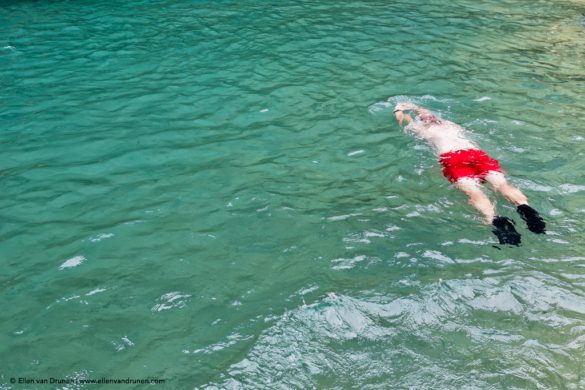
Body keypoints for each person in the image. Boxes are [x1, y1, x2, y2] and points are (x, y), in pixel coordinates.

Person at [392, 102, 545, 245]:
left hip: (452, 158)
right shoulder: (452, 126)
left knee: (474, 191)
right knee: (501, 184)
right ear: (436, 118)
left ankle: (494, 218)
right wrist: (414, 106)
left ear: (423, 122)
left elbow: (405, 119)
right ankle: (525, 207)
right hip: (476, 154)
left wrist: (399, 109)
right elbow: (425, 112)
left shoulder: (422, 129)